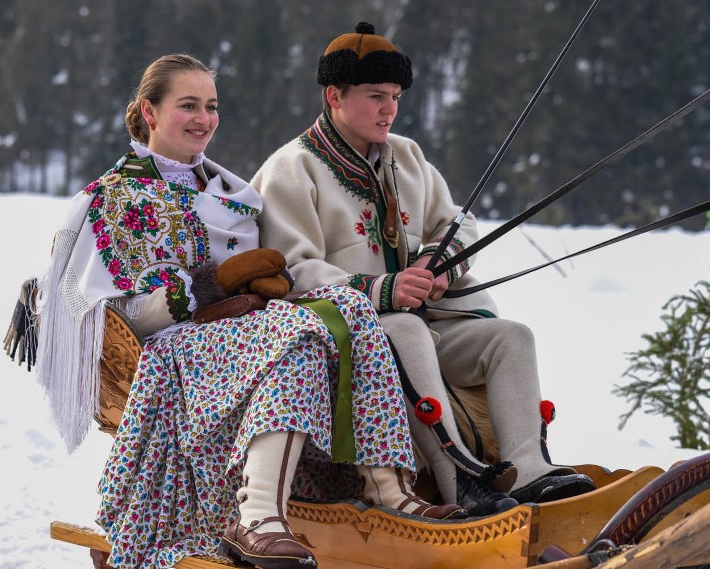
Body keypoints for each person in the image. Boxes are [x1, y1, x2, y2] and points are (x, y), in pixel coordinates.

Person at [30, 54, 465, 569]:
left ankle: (388, 487)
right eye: (187, 105)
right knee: (297, 336)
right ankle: (257, 514)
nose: (203, 119)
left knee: (347, 305)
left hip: (246, 337)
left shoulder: (231, 194)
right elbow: (123, 318)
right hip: (174, 354)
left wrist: (269, 286)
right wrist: (211, 285)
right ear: (149, 112)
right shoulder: (118, 199)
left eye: (211, 106)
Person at [252, 23, 596, 517]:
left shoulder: (407, 156)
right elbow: (291, 272)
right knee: (406, 327)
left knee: (511, 337)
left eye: (394, 96)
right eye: (375, 96)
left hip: (433, 327)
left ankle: (528, 467)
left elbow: (459, 223)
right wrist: (384, 289)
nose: (389, 109)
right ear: (334, 96)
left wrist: (441, 265)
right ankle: (458, 477)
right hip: (350, 342)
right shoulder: (291, 169)